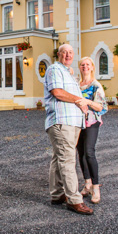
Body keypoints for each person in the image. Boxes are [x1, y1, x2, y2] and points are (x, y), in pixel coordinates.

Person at [44, 44, 93, 215]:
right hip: (61, 121)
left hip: (72, 122)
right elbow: (57, 92)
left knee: (59, 157)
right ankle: (74, 199)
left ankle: (57, 194)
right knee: (67, 159)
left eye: (71, 52)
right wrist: (80, 101)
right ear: (58, 55)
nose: (68, 55)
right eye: (64, 52)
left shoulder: (69, 73)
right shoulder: (54, 69)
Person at [74, 57, 106, 204]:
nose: (85, 67)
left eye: (87, 64)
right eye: (82, 65)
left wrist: (87, 101)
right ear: (79, 68)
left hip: (91, 121)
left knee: (89, 152)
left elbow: (101, 107)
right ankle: (87, 184)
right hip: (77, 122)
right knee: (80, 153)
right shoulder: (77, 85)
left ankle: (96, 187)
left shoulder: (96, 85)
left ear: (92, 67)